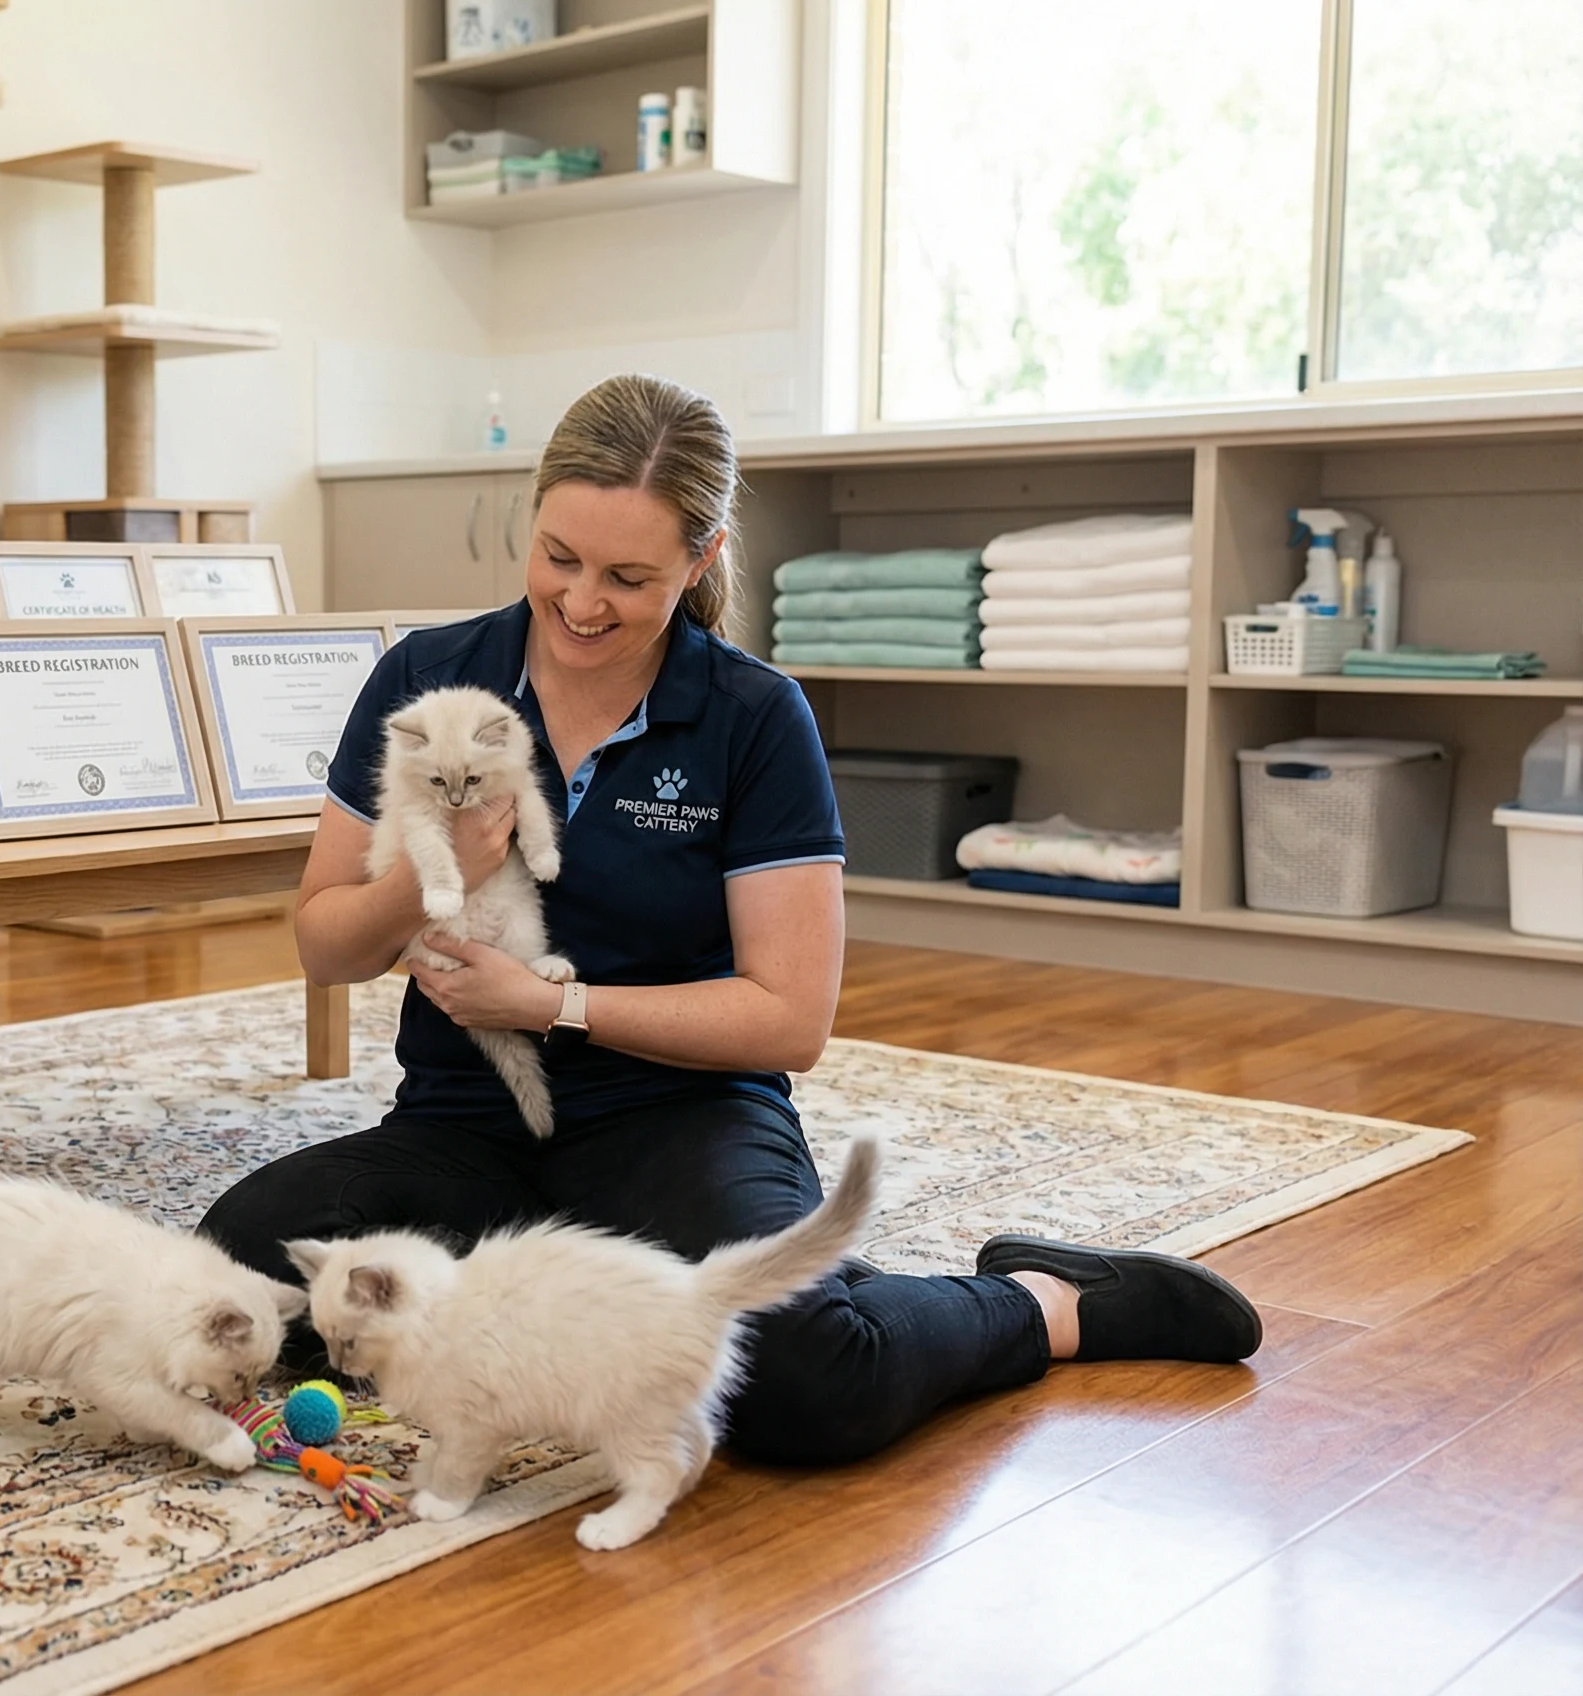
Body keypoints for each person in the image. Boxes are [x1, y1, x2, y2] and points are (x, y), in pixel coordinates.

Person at [198, 374, 1260, 1466]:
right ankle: (585, 1303)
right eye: (558, 556)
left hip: (679, 1116)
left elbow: (787, 1017)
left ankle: (1043, 1299)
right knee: (235, 1277)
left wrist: (551, 1003)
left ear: (699, 561)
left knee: (800, 1382)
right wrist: (437, 871)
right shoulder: (429, 678)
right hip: (466, 1125)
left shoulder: (752, 716)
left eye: (628, 576)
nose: (580, 602)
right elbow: (324, 943)